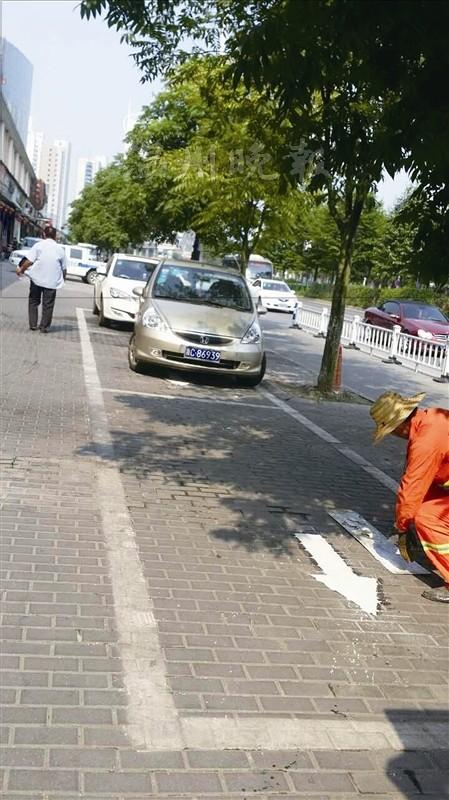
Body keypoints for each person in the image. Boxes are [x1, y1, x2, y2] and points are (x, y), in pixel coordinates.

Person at [370, 391, 449, 603]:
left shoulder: (425, 442)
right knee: (424, 504)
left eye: (391, 430)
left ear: (401, 424)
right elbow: (424, 486)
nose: (394, 435)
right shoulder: (433, 417)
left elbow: (412, 487)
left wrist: (402, 527)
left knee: (428, 518)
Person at [16, 226, 66, 333]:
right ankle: (44, 327)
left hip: (37, 279)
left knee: (33, 301)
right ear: (55, 236)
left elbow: (29, 261)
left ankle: (33, 324)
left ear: (44, 234)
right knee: (48, 305)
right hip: (52, 282)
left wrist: (21, 269)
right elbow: (64, 268)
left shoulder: (38, 246)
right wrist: (62, 280)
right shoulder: (60, 250)